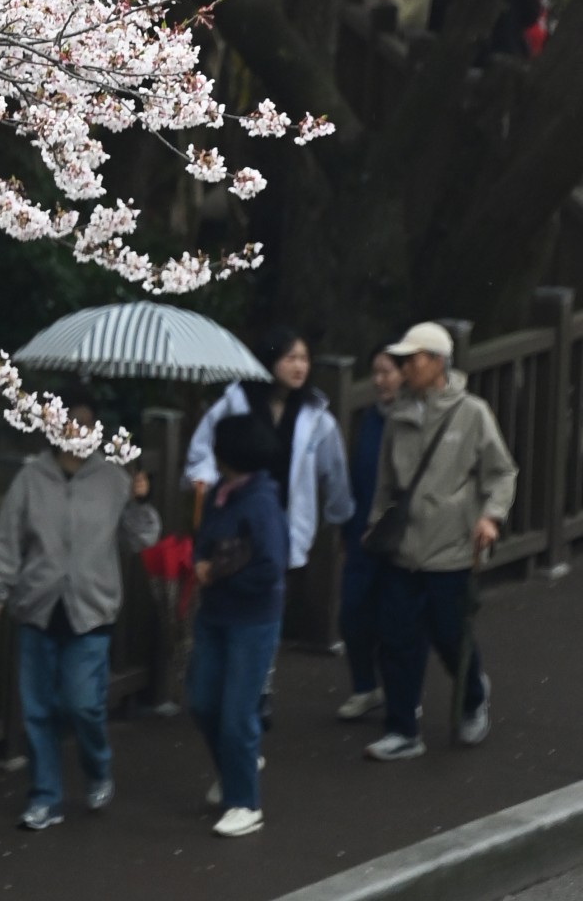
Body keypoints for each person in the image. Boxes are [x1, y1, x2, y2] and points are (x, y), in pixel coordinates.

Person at [0, 398, 160, 830]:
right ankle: (45, 797)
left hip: (91, 609)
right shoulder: (31, 477)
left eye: (85, 424)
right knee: (37, 709)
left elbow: (142, 538)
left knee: (83, 704)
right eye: (69, 422)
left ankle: (98, 767)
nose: (76, 431)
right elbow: (7, 539)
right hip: (37, 605)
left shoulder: (113, 477)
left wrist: (140, 501)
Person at [363, 320, 518, 762]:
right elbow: (386, 483)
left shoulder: (472, 413)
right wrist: (375, 527)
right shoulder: (398, 415)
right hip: (403, 548)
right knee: (396, 639)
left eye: (411, 359)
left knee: (451, 636)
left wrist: (491, 516)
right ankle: (402, 729)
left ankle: (472, 698)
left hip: (451, 549)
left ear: (437, 362)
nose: (404, 367)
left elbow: (501, 472)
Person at [184, 328, 353, 581]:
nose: (299, 366)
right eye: (290, 358)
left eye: (304, 359)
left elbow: (335, 471)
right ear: (269, 360)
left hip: (287, 524)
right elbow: (202, 446)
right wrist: (204, 478)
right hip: (236, 519)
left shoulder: (316, 416)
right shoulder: (237, 401)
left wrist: (340, 516)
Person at [188, 412, 288, 839]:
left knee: (237, 711)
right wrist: (200, 562)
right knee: (203, 700)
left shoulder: (261, 503)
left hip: (252, 620)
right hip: (215, 614)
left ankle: (245, 802)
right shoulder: (219, 493)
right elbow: (204, 539)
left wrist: (217, 575)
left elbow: (270, 566)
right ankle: (231, 772)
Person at [336, 344, 404, 720]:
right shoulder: (370, 420)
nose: (379, 381)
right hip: (364, 531)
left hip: (401, 535)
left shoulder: (414, 419)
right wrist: (349, 530)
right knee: (352, 612)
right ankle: (365, 686)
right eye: (375, 373)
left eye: (387, 372)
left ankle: (401, 694)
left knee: (397, 620)